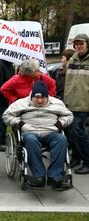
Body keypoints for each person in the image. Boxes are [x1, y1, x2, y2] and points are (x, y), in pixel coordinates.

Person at [3, 81, 73, 190]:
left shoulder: (57, 103)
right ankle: (38, 175)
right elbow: (6, 115)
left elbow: (69, 115)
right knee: (31, 140)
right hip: (30, 132)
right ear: (31, 96)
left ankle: (54, 176)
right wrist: (20, 123)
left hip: (51, 132)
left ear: (48, 96)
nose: (40, 101)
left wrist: (60, 124)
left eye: (43, 98)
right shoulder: (21, 103)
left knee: (62, 139)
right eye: (37, 98)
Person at [64, 33, 89, 174]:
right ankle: (76, 157)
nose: (79, 46)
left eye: (82, 44)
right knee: (71, 132)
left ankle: (87, 161)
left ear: (87, 44)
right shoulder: (72, 60)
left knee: (78, 132)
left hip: (83, 104)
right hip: (70, 103)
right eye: (77, 44)